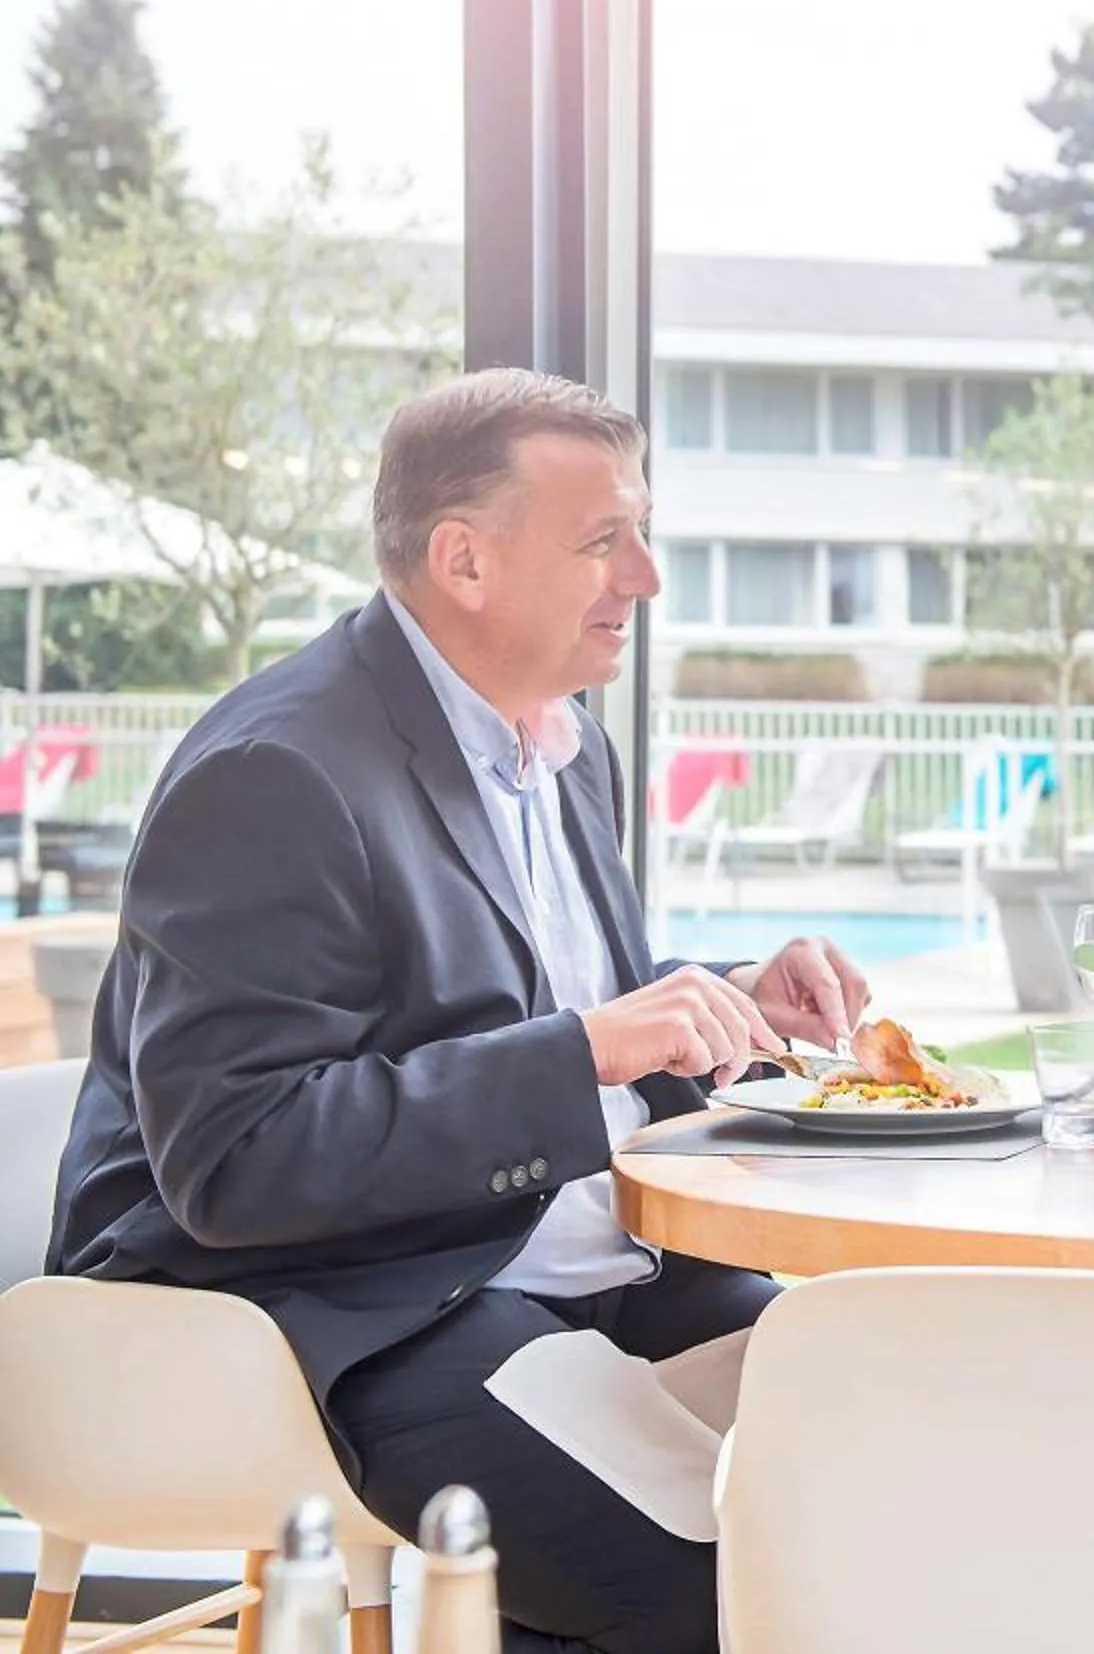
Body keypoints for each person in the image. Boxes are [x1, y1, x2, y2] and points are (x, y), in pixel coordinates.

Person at [52, 369, 871, 1654]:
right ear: (464, 561)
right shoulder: (276, 773)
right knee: (734, 1596)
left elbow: (549, 1009)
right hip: (350, 1300)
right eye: (606, 541)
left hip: (584, 1266)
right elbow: (239, 1158)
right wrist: (594, 1047)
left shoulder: (563, 744)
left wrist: (722, 1004)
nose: (646, 579)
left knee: (907, 1474)